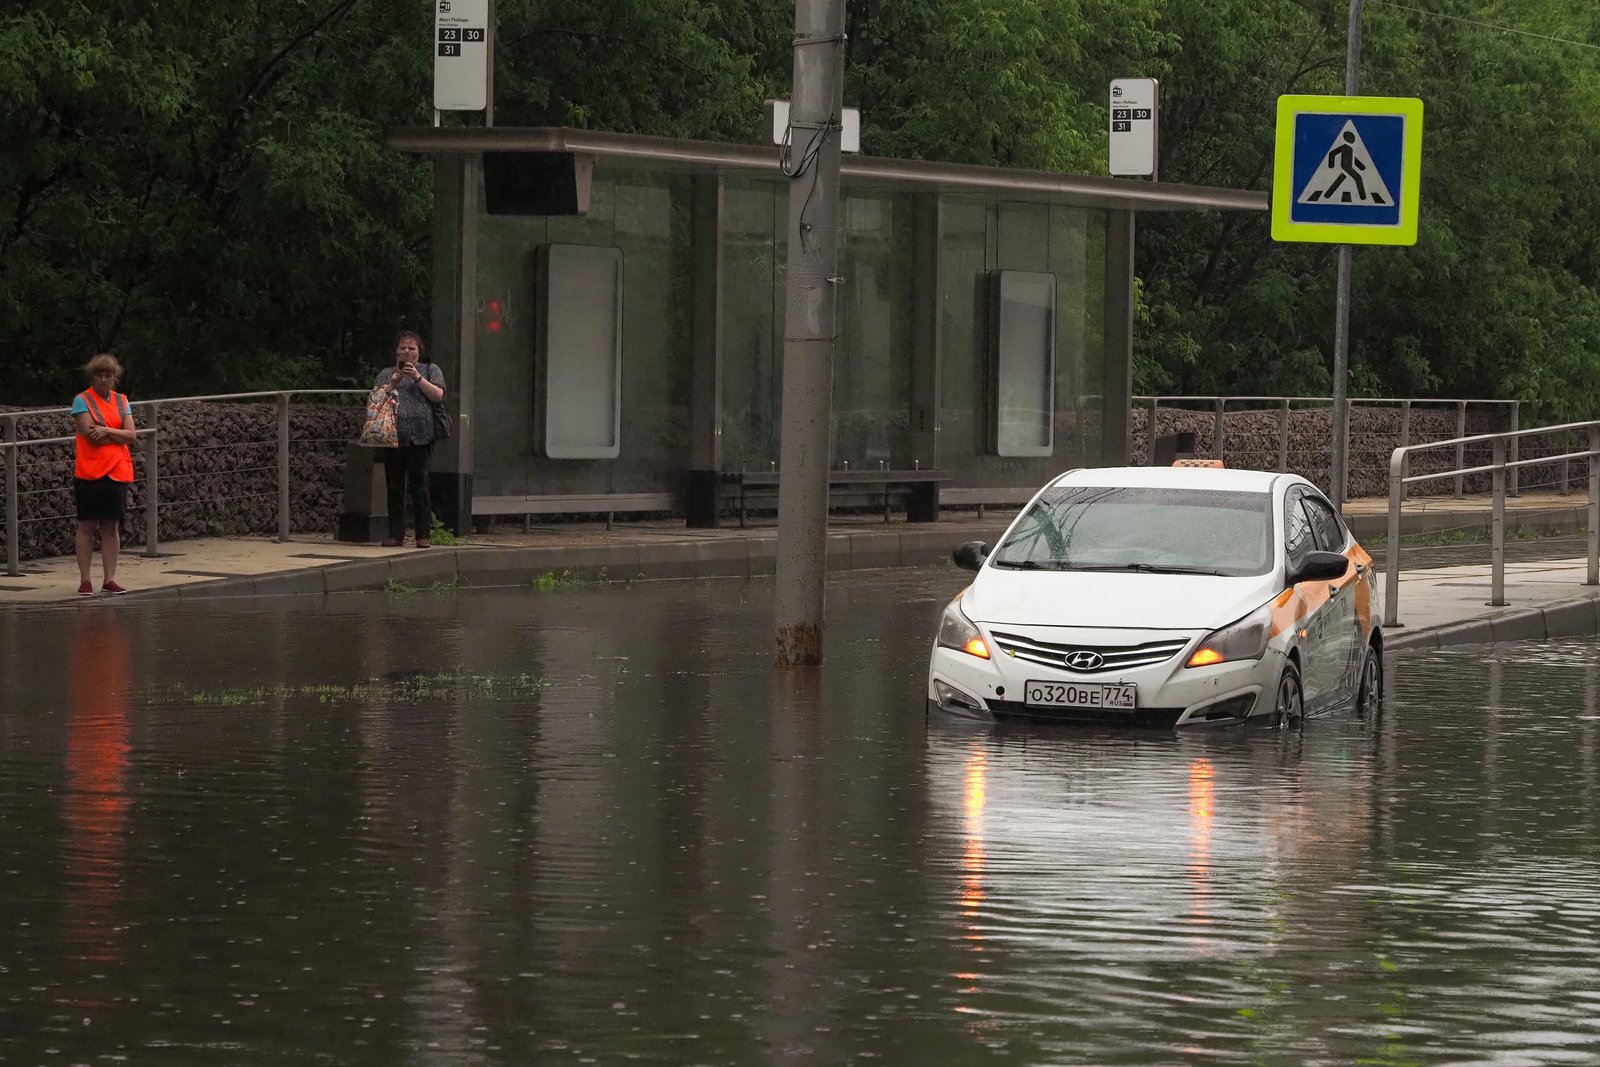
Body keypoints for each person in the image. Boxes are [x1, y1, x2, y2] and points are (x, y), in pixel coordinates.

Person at [70, 353, 138, 595]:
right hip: (90, 471)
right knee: (87, 524)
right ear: (93, 376)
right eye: (99, 375)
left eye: (108, 375)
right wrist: (117, 434)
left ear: (114, 377)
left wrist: (107, 429)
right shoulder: (82, 400)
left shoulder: (122, 401)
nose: (103, 379)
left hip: (117, 470)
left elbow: (131, 435)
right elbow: (90, 436)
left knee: (111, 526)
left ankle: (109, 579)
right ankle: (85, 579)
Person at [374, 330, 447, 547]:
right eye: (403, 348)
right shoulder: (386, 373)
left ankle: (422, 534)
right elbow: (376, 401)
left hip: (421, 436)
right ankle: (395, 534)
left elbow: (438, 395)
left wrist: (416, 377)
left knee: (420, 485)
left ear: (419, 352)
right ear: (396, 352)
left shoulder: (430, 370)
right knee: (394, 486)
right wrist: (393, 383)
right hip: (393, 435)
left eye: (412, 348)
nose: (407, 352)